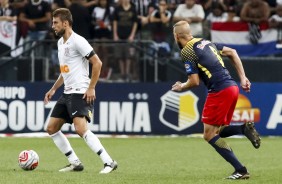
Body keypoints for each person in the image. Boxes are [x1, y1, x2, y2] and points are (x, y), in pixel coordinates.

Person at [171, 20, 261, 180]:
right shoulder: (206, 42)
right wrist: (243, 78)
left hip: (219, 91)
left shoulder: (187, 51)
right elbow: (232, 52)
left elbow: (194, 81)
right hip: (232, 87)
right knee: (218, 130)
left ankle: (241, 169)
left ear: (177, 36)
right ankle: (243, 129)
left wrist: (181, 87)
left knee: (209, 135)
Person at [44, 8, 117, 174]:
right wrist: (53, 88)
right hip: (67, 93)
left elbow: (97, 63)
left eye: (55, 22)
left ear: (66, 23)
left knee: (80, 128)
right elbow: (65, 71)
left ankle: (109, 162)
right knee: (51, 128)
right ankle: (75, 162)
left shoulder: (78, 41)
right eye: (52, 22)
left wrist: (91, 88)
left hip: (81, 91)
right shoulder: (60, 43)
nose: (53, 26)